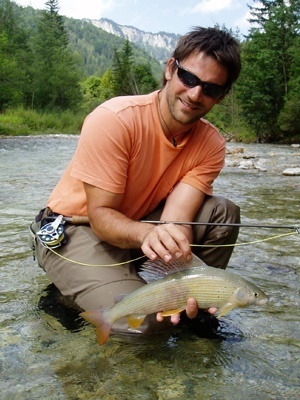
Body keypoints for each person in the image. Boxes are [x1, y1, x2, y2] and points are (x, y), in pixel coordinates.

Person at [30, 26, 241, 335]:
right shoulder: (116, 119)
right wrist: (147, 235)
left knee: (223, 213)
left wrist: (191, 277)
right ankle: (65, 296)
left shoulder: (211, 144)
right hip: (77, 229)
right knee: (141, 327)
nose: (196, 94)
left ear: (221, 97)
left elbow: (175, 222)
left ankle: (193, 310)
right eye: (190, 79)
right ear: (171, 69)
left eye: (210, 89)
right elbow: (101, 218)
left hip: (136, 229)